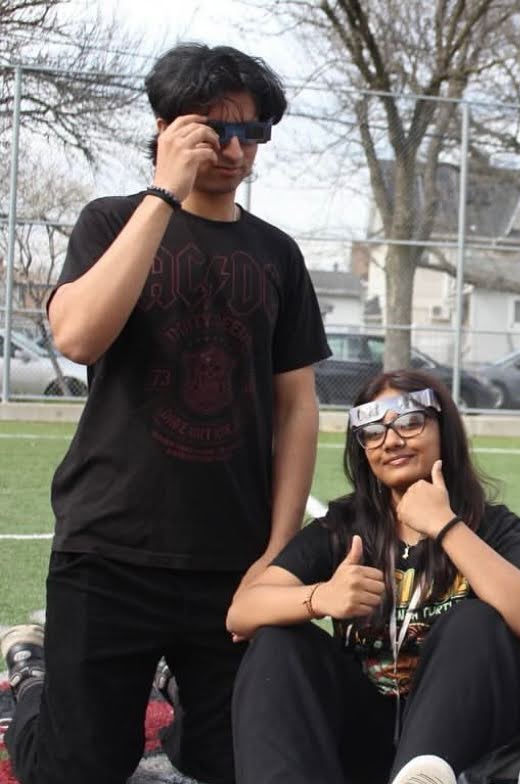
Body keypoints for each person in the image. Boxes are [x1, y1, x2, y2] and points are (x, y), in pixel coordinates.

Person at [0, 43, 328, 784]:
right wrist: (162, 193)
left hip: (230, 555)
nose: (235, 148)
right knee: (79, 767)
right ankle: (32, 678)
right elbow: (79, 335)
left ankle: (179, 692)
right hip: (108, 545)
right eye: (215, 128)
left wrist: (277, 545)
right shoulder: (111, 220)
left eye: (252, 133)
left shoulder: (276, 253)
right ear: (165, 125)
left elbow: (297, 405)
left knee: (235, 760)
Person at [226, 369, 520, 784]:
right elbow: (241, 612)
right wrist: (321, 598)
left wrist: (446, 526)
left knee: (477, 621)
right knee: (278, 639)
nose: (391, 440)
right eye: (372, 431)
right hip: (366, 731)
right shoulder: (344, 526)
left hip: (461, 744)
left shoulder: (491, 526)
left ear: (444, 429)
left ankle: (422, 776)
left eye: (409, 422)